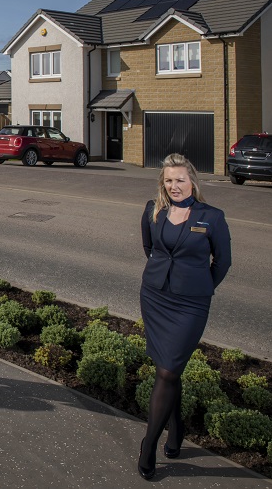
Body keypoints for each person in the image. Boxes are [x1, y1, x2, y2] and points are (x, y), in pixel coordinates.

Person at [137, 153, 231, 479]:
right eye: (168, 180)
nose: (174, 186)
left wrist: (200, 286)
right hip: (155, 298)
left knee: (167, 370)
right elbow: (150, 249)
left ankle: (148, 444)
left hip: (190, 306)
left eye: (180, 179)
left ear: (192, 180)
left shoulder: (212, 217)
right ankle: (176, 430)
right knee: (169, 372)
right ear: (162, 182)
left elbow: (223, 262)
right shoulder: (153, 210)